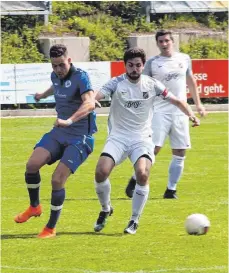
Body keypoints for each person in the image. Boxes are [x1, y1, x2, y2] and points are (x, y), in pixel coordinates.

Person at [93, 47, 200, 235]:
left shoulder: (152, 84)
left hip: (141, 138)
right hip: (118, 137)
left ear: (143, 66)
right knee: (101, 172)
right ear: (125, 65)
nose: (135, 69)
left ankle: (134, 220)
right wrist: (92, 101)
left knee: (142, 173)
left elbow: (176, 100)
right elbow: (96, 95)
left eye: (138, 65)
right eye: (131, 65)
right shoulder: (116, 83)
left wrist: (191, 114)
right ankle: (105, 208)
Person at [14, 44, 97, 238]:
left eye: (61, 65)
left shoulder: (81, 77)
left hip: (80, 137)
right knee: (32, 165)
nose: (58, 70)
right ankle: (34, 207)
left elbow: (90, 103)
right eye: (54, 66)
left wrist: (69, 120)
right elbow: (55, 86)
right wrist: (43, 94)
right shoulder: (55, 75)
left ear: (69, 60)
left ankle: (50, 227)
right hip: (59, 132)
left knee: (57, 179)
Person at [125, 30, 207, 200]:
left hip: (180, 112)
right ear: (157, 43)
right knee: (153, 149)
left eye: (167, 41)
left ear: (172, 41)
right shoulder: (153, 63)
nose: (164, 44)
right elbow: (143, 84)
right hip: (159, 111)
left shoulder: (184, 59)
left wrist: (198, 104)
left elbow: (191, 80)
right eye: (160, 41)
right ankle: (135, 179)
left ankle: (171, 190)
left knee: (180, 151)